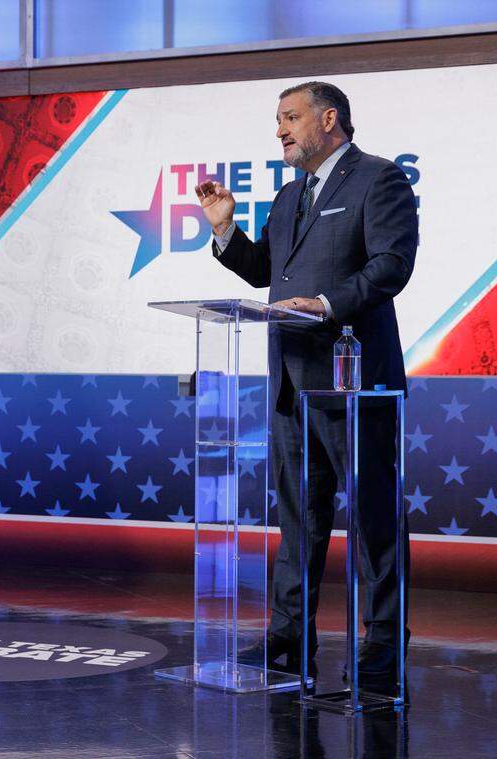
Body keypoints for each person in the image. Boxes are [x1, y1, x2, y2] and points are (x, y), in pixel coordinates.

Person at [195, 82, 417, 689]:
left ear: (329, 119)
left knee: (373, 519)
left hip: (354, 382)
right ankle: (289, 640)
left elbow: (391, 265)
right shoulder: (289, 195)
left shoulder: (380, 179)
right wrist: (225, 233)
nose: (280, 129)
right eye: (277, 119)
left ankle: (384, 643)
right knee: (298, 518)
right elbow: (269, 270)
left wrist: (325, 304)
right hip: (292, 384)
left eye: (290, 118)